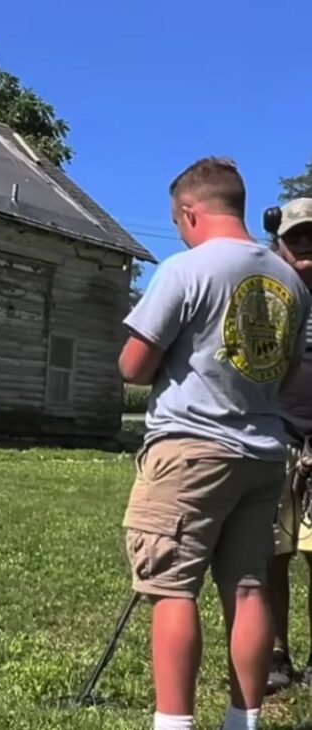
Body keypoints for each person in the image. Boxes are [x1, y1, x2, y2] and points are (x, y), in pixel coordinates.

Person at [119, 157, 310, 730]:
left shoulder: (185, 269)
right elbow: (283, 371)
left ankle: (174, 723)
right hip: (262, 453)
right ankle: (241, 720)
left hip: (190, 450)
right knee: (248, 587)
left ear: (189, 212)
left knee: (172, 588)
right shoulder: (291, 284)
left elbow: (133, 365)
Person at [265, 198, 312, 694]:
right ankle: (277, 654)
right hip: (275, 438)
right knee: (272, 554)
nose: (305, 245)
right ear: (279, 243)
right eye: (296, 236)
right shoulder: (267, 295)